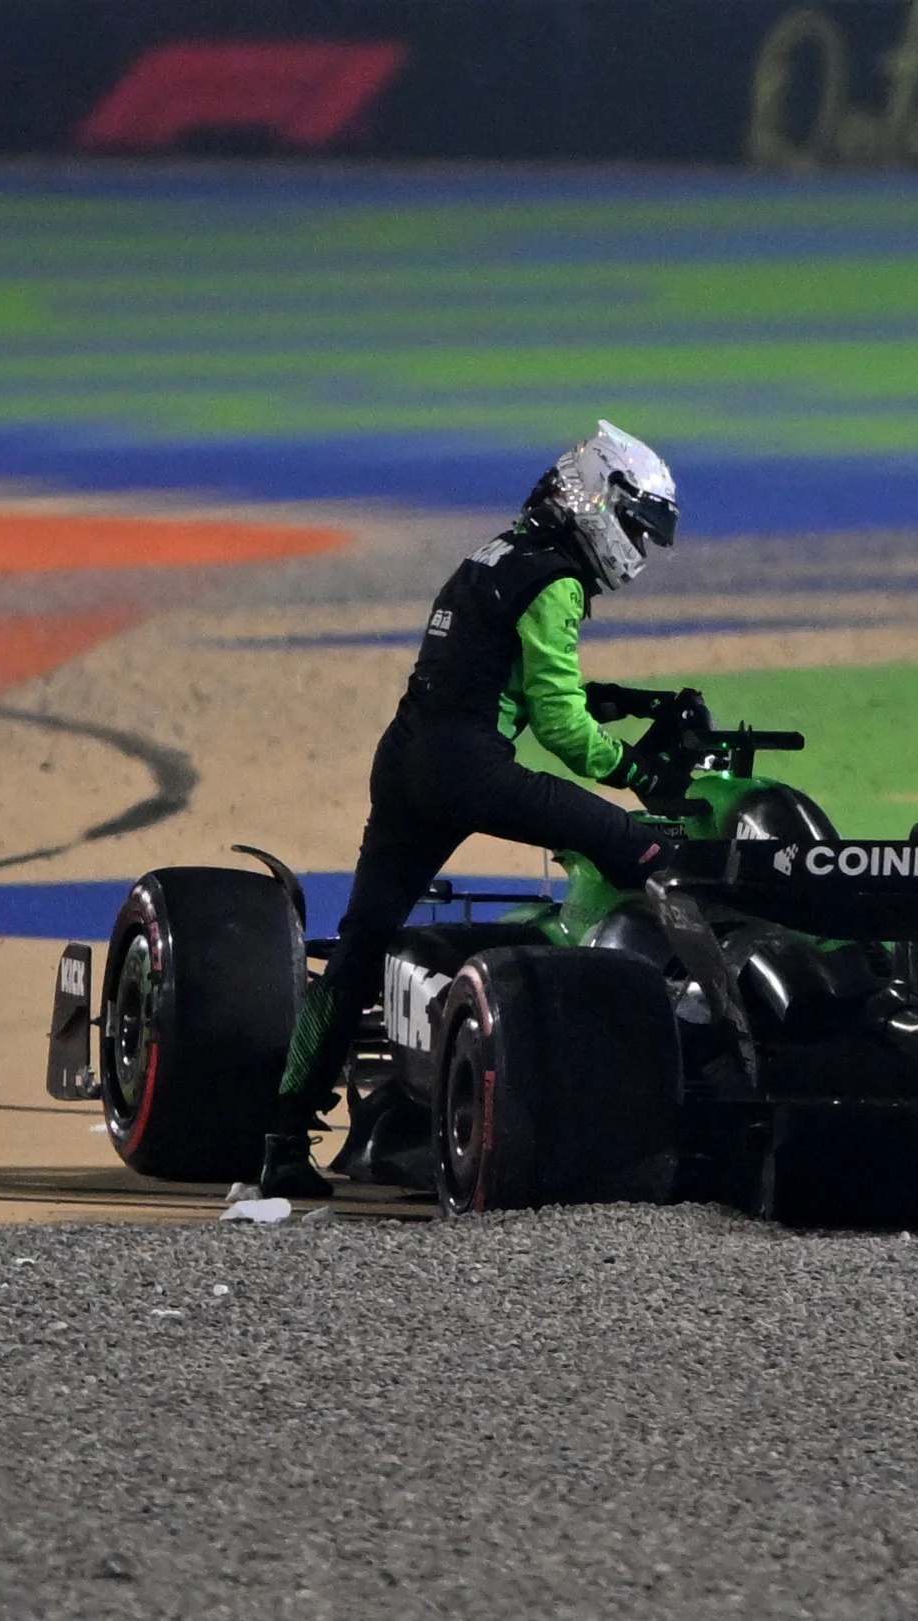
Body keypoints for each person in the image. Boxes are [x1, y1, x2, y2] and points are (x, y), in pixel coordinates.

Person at [259, 421, 689, 1197]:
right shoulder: (555, 579)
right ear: (599, 499)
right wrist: (635, 770)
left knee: (360, 952)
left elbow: (495, 673)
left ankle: (281, 1143)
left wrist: (612, 701)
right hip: (468, 769)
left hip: (404, 762)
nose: (637, 549)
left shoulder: (494, 554)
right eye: (634, 527)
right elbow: (556, 723)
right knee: (638, 844)